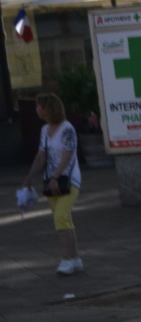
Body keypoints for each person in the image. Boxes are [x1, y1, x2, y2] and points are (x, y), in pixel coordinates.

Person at [23, 93, 84, 276]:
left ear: (47, 108)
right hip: (52, 182)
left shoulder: (67, 129)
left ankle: (65, 260)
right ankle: (75, 258)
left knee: (61, 217)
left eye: (39, 106)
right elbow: (41, 155)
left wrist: (56, 176)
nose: (36, 109)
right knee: (64, 220)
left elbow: (67, 155)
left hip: (68, 180)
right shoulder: (45, 130)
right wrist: (29, 177)